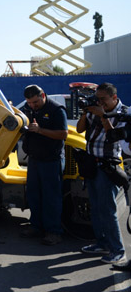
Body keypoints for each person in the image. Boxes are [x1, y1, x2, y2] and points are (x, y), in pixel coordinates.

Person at [77, 82, 128, 265]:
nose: (100, 102)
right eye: (97, 99)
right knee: (96, 208)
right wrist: (85, 111)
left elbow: (116, 137)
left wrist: (104, 116)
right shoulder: (95, 110)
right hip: (91, 164)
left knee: (108, 210)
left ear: (114, 97)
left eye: (103, 99)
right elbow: (80, 129)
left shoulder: (124, 113)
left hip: (108, 166)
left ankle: (118, 250)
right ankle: (102, 243)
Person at [19, 85, 68, 246]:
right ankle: (36, 226)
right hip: (34, 159)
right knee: (34, 195)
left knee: (51, 197)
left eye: (35, 102)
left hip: (51, 160)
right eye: (30, 103)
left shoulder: (56, 109)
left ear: (43, 95)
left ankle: (54, 231)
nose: (32, 105)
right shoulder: (29, 109)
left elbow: (63, 134)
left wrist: (40, 130)